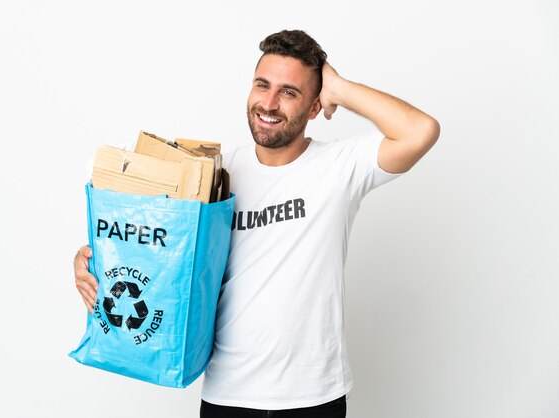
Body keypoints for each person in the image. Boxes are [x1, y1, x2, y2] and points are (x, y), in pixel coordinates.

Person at [74, 29, 439, 417]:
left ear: (315, 107)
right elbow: (152, 246)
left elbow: (421, 131)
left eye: (289, 92)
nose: (269, 102)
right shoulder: (215, 176)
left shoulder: (340, 167)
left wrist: (340, 87)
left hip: (313, 397)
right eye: (262, 85)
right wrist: (90, 260)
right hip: (228, 394)